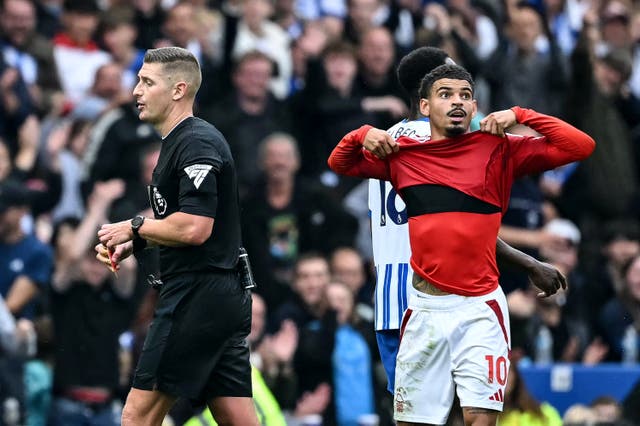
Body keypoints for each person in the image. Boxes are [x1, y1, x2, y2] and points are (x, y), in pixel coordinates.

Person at [328, 64, 595, 425]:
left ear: (475, 109)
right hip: (423, 310)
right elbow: (338, 162)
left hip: (479, 311)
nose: (457, 102)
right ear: (424, 107)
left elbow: (580, 145)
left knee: (479, 420)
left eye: (465, 96)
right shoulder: (403, 156)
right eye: (446, 94)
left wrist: (520, 114)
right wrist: (362, 133)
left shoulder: (499, 150)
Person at [94, 47, 259, 426]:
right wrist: (138, 241)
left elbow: (195, 228)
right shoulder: (178, 143)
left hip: (196, 297)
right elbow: (185, 224)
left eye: (146, 82)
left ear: (178, 90)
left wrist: (135, 226)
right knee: (238, 419)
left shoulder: (196, 141)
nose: (135, 91)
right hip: (220, 295)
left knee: (136, 417)